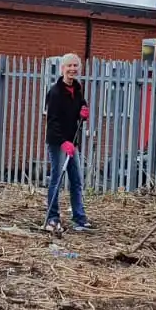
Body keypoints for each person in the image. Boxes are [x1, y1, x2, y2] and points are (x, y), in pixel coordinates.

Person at [44, 53, 92, 232]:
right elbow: (53, 120)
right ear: (63, 68)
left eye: (75, 66)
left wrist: (83, 112)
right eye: (69, 66)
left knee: (76, 180)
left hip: (73, 142)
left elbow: (81, 107)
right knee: (57, 178)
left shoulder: (78, 90)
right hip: (58, 143)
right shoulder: (55, 92)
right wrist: (63, 142)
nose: (72, 69)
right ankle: (52, 218)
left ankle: (79, 217)